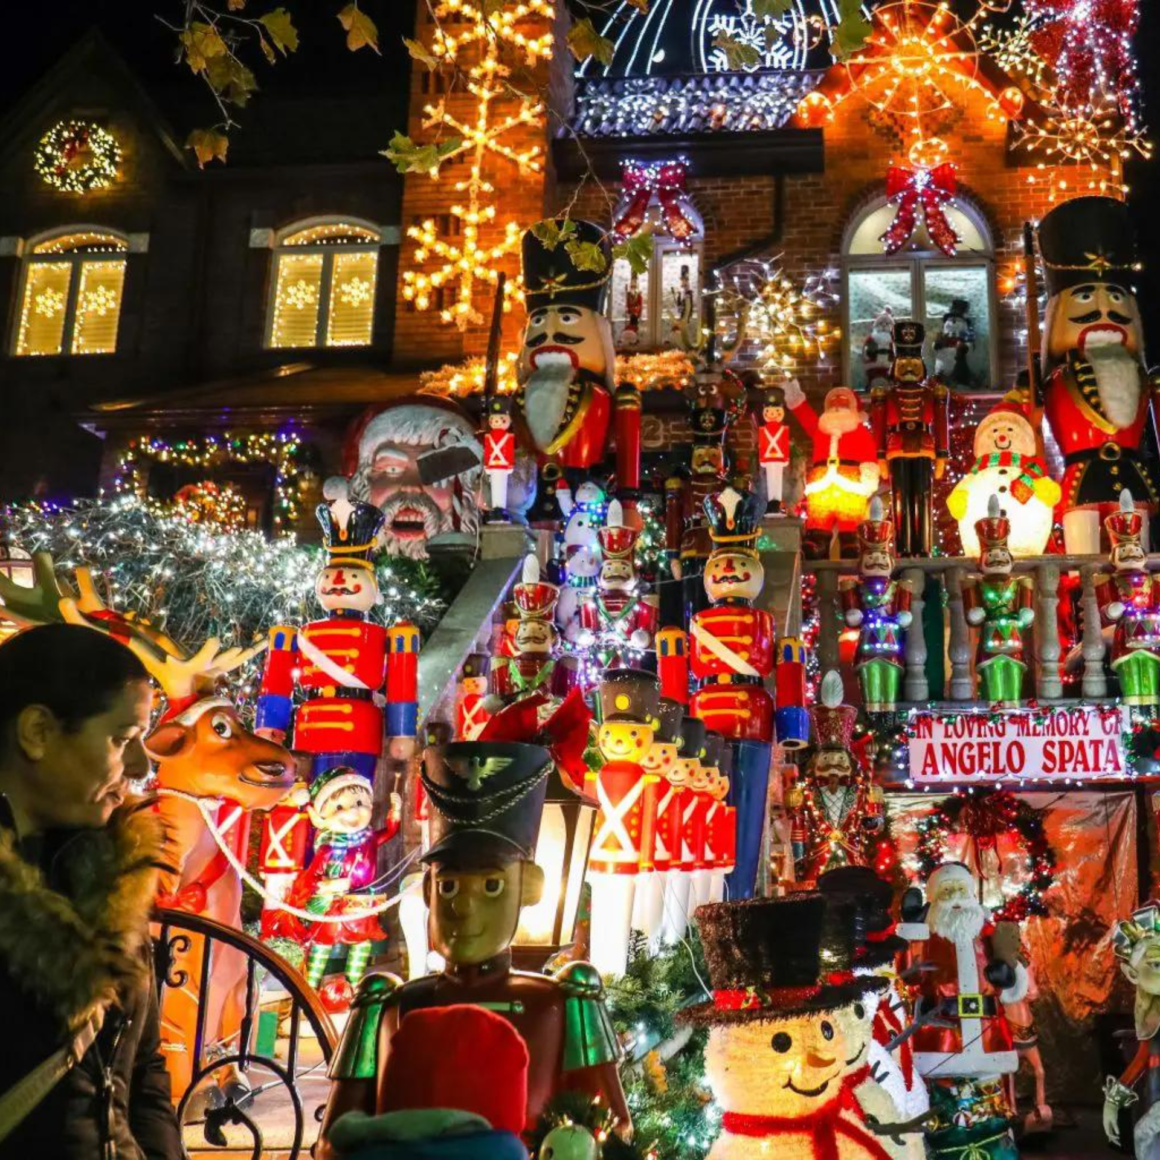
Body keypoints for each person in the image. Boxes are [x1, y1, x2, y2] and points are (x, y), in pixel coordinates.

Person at [0, 623, 181, 1159]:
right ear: (38, 731)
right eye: (122, 739)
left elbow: (143, 1074)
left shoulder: (112, 877)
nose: (141, 767)